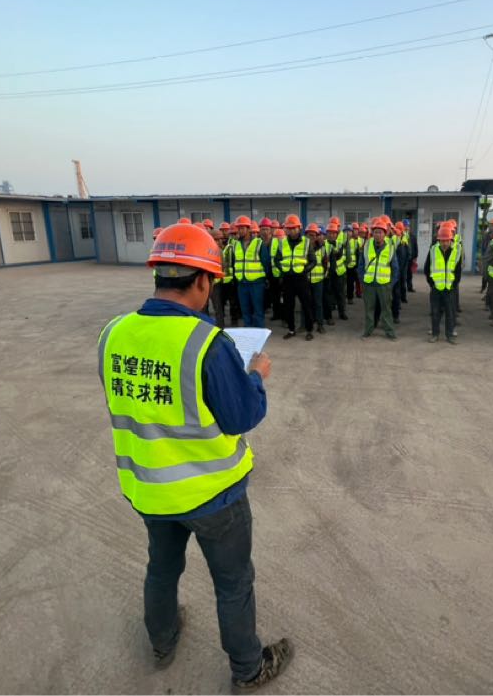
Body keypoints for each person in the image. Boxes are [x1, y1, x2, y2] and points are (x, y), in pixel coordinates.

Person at [97, 223, 292, 690]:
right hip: (212, 495)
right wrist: (255, 376)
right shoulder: (206, 342)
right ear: (202, 281)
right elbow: (241, 415)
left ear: (158, 274)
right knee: (233, 582)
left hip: (149, 489)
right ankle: (248, 668)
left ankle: (162, 641)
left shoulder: (113, 333)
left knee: (162, 570)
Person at [272, 215, 317, 341]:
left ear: (299, 228)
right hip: (288, 280)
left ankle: (309, 330)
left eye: (294, 228)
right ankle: (291, 330)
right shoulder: (282, 243)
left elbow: (313, 261)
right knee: (288, 306)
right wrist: (283, 270)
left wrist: (304, 271)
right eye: (289, 228)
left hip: (301, 279)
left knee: (306, 305)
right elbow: (276, 260)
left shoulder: (306, 242)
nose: (291, 231)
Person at [359, 218, 398, 340]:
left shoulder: (390, 247)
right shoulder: (367, 245)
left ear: (385, 234)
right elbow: (361, 265)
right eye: (375, 232)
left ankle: (390, 332)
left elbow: (395, 268)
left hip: (384, 285)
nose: (377, 234)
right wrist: (362, 280)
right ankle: (368, 331)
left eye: (380, 232)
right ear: (372, 233)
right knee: (369, 309)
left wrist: (390, 284)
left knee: (386, 310)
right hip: (369, 284)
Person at [424, 225, 461, 344]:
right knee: (435, 312)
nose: (444, 243)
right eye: (442, 241)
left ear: (451, 240)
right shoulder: (433, 250)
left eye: (447, 240)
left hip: (450, 288)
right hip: (436, 288)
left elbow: (458, 271)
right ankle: (435, 334)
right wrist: (432, 283)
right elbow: (427, 268)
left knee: (450, 313)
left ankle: (449, 335)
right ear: (438, 240)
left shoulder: (456, 251)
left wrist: (454, 285)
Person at [232, 216, 271, 328]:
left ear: (249, 229)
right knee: (245, 310)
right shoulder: (235, 245)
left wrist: (265, 279)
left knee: (258, 309)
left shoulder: (258, 243)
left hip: (256, 283)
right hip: (242, 283)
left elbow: (266, 262)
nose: (240, 231)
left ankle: (259, 331)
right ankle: (248, 331)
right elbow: (234, 263)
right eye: (239, 228)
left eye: (242, 228)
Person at [323, 223, 349, 324]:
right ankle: (328, 317)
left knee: (340, 294)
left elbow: (343, 257)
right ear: (326, 234)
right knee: (328, 296)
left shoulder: (340, 244)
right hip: (328, 274)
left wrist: (334, 258)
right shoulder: (324, 244)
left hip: (339, 273)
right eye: (329, 233)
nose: (332, 235)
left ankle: (342, 313)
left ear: (337, 234)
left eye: (334, 233)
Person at [403, 219, 419, 294]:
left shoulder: (412, 236)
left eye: (407, 226)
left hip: (410, 258)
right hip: (403, 259)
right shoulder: (401, 236)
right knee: (403, 274)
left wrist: (415, 257)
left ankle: (410, 287)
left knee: (409, 274)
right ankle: (403, 288)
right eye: (405, 226)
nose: (406, 227)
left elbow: (415, 247)